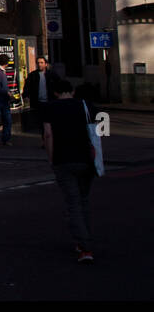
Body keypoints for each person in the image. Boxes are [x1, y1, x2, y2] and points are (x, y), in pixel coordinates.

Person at [42, 74, 97, 262]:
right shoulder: (85, 105)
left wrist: (51, 158)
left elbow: (48, 135)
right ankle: (85, 239)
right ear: (72, 91)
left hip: (63, 160)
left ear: (56, 93)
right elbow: (94, 134)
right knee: (83, 201)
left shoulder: (50, 107)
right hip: (85, 159)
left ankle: (85, 247)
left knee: (73, 204)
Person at [25, 55, 51, 146]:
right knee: (42, 123)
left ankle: (50, 140)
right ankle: (44, 141)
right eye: (38, 63)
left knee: (50, 122)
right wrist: (26, 96)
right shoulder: (33, 75)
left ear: (46, 64)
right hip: (38, 102)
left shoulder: (51, 75)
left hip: (50, 102)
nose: (39, 65)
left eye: (41, 63)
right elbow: (27, 88)